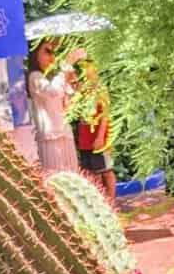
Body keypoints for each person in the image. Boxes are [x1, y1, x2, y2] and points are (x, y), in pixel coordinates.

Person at [26, 38, 81, 174]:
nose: (52, 57)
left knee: (73, 176)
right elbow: (52, 92)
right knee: (56, 180)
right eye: (47, 51)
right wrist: (66, 66)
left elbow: (66, 107)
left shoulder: (49, 77)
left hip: (64, 133)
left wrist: (72, 87)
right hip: (50, 137)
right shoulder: (34, 76)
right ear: (35, 53)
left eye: (53, 52)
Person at [73, 56, 117, 203]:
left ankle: (111, 202)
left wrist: (100, 137)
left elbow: (105, 115)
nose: (85, 71)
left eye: (88, 67)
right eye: (82, 68)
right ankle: (99, 203)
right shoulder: (82, 89)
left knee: (106, 170)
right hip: (85, 138)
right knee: (92, 172)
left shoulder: (100, 89)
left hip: (99, 138)